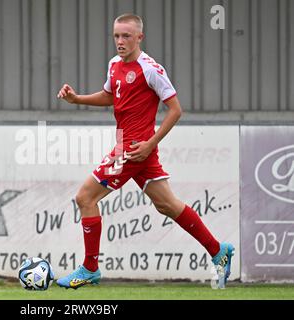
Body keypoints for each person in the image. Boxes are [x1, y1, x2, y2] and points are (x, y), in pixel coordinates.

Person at [56, 13, 234, 289]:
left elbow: (176, 110)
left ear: (140, 37)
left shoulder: (150, 68)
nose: (120, 41)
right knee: (167, 205)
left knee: (85, 197)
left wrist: (151, 143)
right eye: (116, 35)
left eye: (126, 36)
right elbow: (109, 96)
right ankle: (218, 251)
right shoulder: (114, 64)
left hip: (133, 149)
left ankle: (90, 268)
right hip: (133, 148)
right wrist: (76, 98)